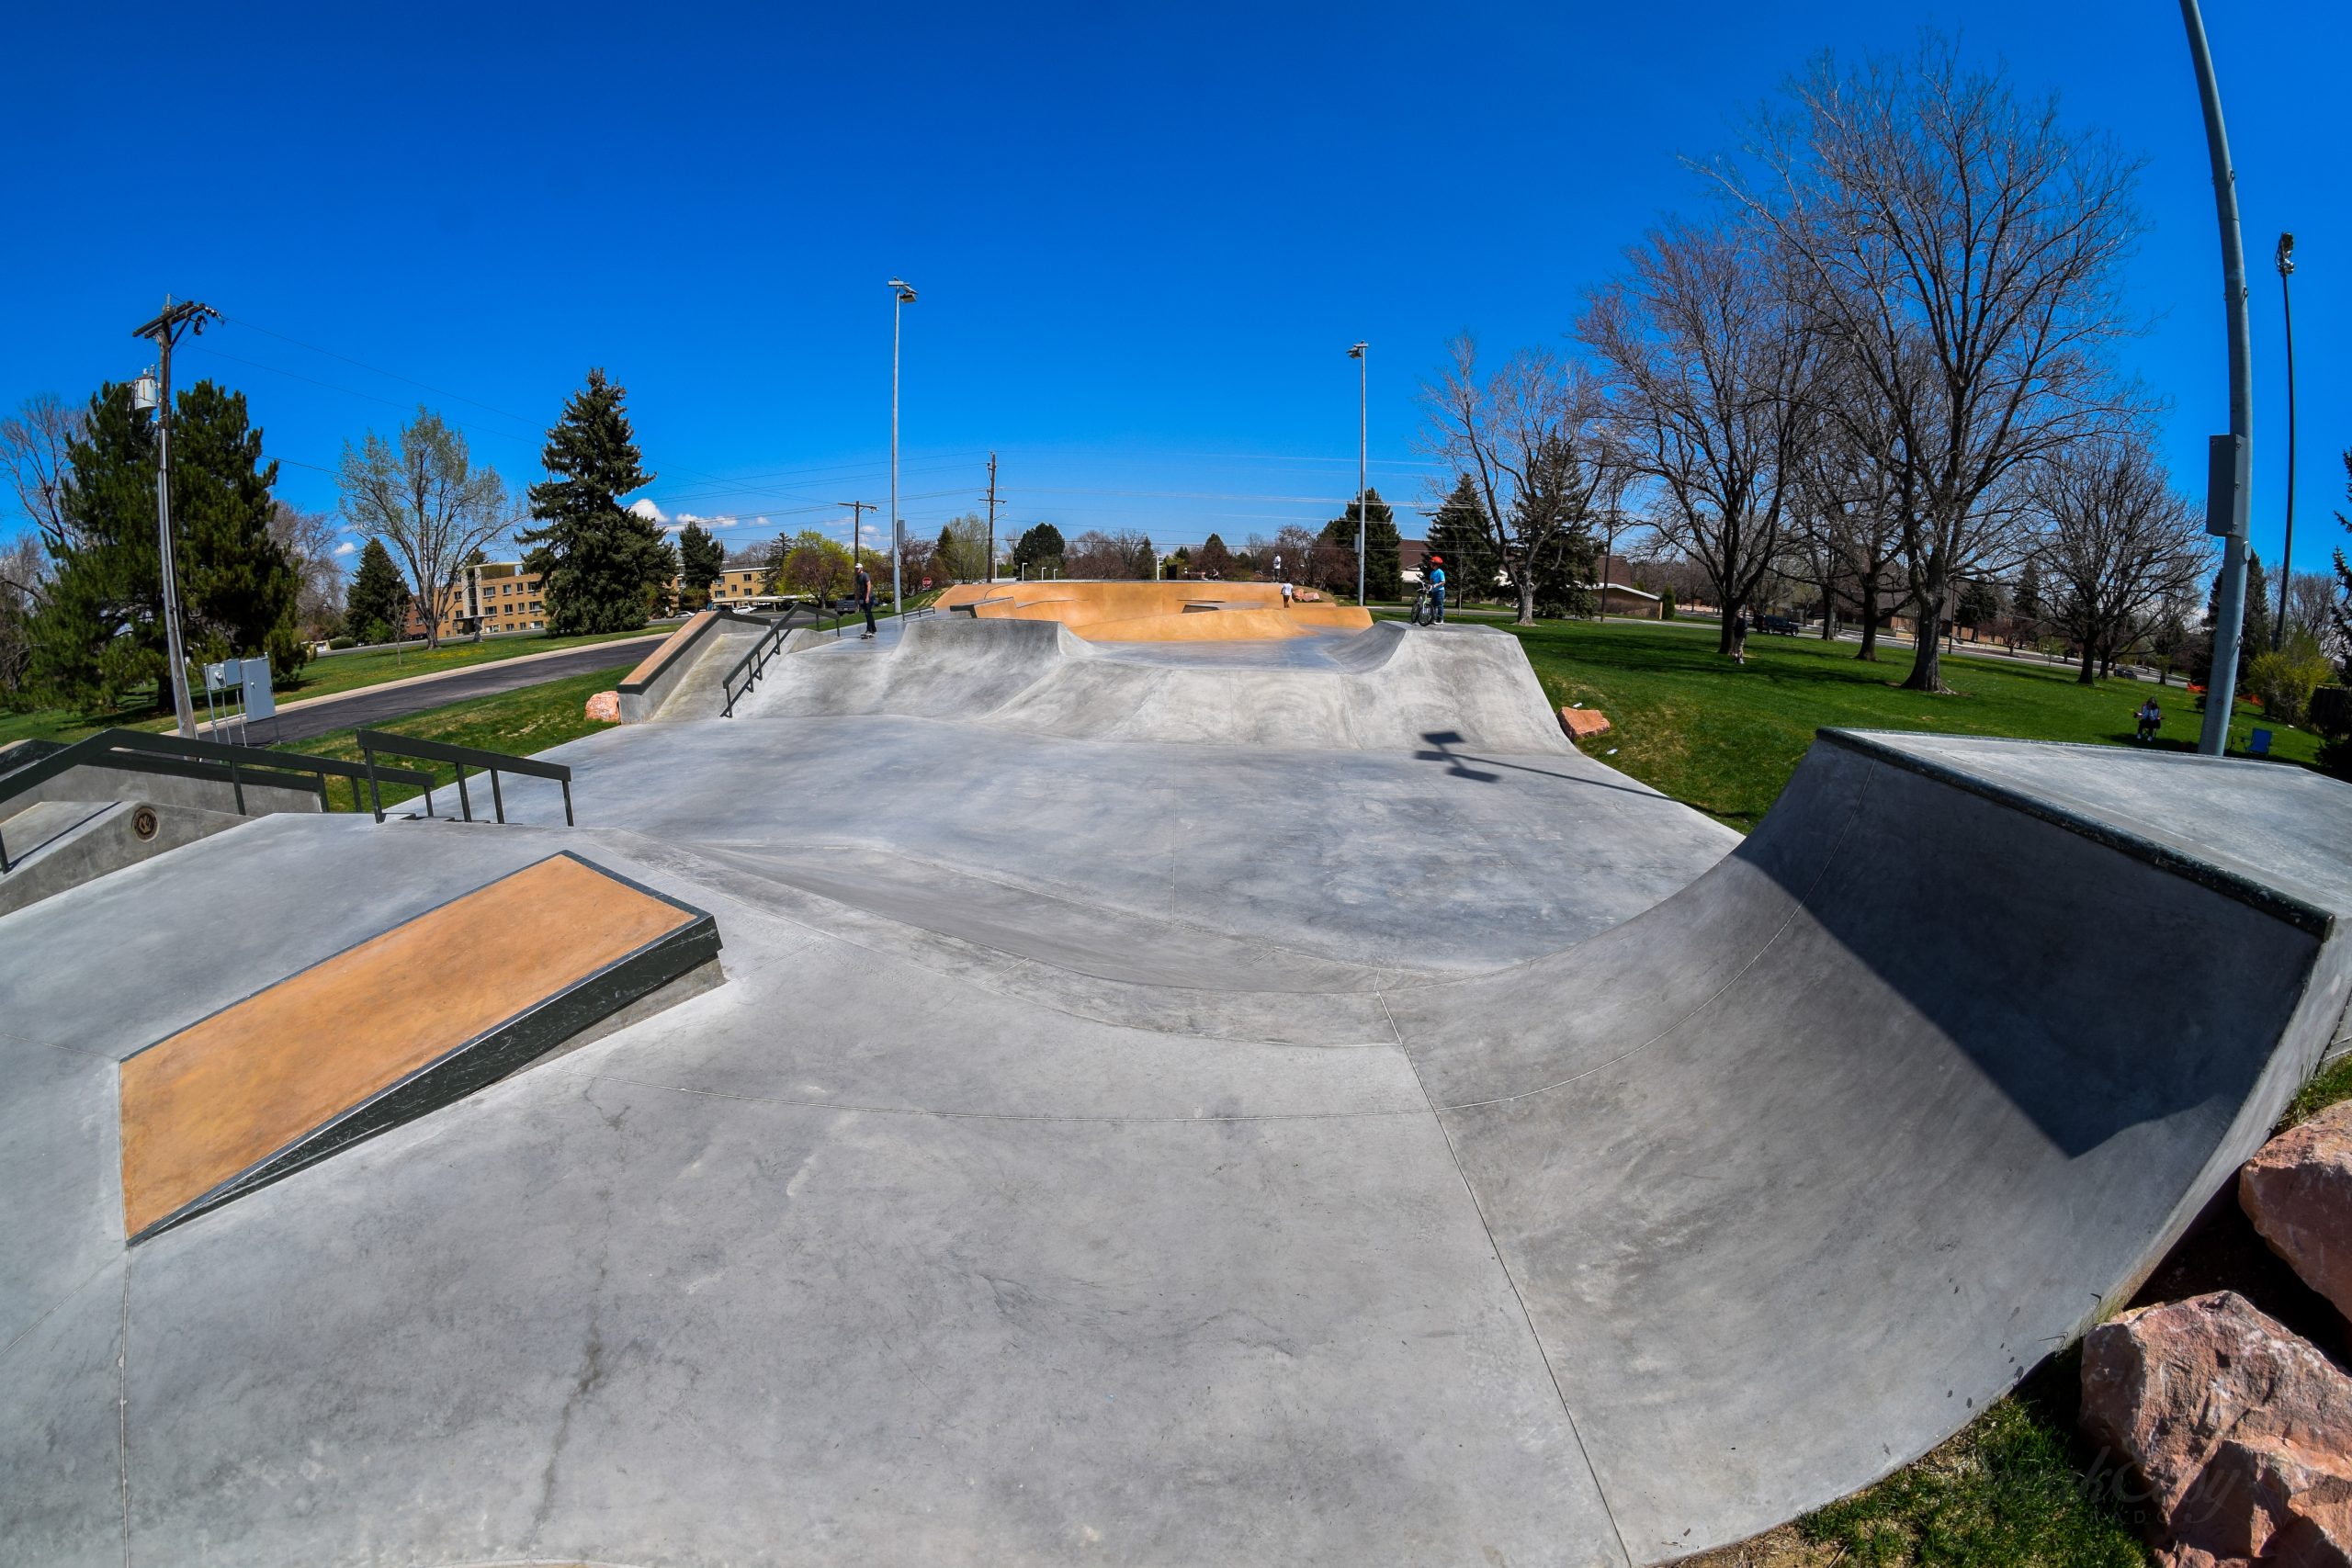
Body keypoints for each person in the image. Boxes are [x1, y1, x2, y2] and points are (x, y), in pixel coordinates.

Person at [854, 560, 876, 640]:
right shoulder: (857, 577)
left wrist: (867, 597)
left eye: (858, 568)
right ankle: (873, 629)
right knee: (868, 613)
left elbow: (869, 586)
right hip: (863, 597)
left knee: (868, 613)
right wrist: (857, 597)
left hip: (869, 596)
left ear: (861, 568)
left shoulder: (865, 575)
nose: (856, 570)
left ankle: (869, 630)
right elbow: (858, 588)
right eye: (856, 569)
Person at [1427, 556, 1447, 624]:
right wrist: (1428, 586)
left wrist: (1436, 585)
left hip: (1440, 591)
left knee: (1440, 605)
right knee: (1433, 605)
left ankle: (1440, 619)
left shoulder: (1440, 572)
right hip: (1434, 591)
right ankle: (1432, 619)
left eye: (1431, 563)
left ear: (1436, 564)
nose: (1430, 565)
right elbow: (1431, 581)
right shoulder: (1432, 573)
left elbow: (1443, 582)